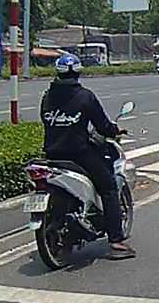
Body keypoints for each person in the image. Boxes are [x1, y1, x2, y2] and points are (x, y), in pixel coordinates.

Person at [40, 53, 136, 260]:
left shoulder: (47, 96)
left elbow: (46, 120)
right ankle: (116, 241)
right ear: (78, 72)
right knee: (109, 187)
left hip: (52, 154)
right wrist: (115, 130)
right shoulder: (85, 96)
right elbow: (102, 125)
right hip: (79, 154)